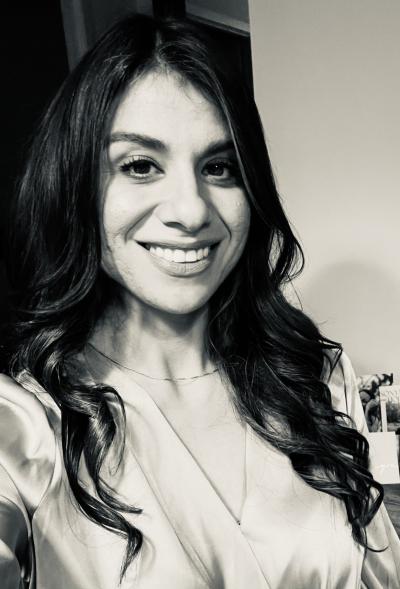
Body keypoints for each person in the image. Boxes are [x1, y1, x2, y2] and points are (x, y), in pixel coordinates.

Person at [0, 14, 399, 589]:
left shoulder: (317, 378)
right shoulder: (25, 425)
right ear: (76, 185)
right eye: (140, 166)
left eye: (219, 167)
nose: (190, 210)